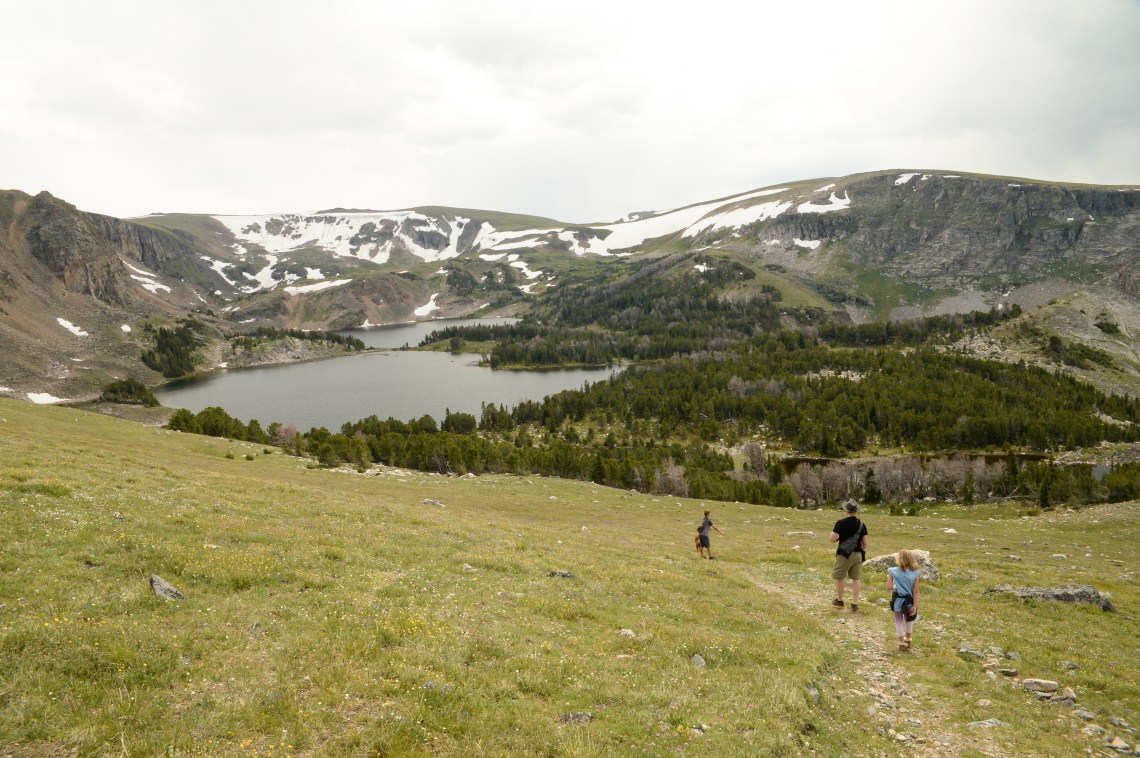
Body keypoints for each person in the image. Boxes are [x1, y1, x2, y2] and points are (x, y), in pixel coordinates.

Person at [829, 499, 868, 611]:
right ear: (856, 511)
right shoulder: (862, 525)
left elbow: (832, 539)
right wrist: (863, 551)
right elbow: (865, 543)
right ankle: (855, 603)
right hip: (858, 555)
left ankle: (840, 600)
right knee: (856, 579)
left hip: (844, 554)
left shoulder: (840, 523)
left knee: (840, 577)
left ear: (846, 510)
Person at [887, 549, 921, 650]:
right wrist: (915, 606)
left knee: (898, 620)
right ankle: (908, 639)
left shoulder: (892, 571)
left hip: (897, 599)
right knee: (909, 619)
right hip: (910, 600)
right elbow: (916, 591)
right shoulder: (915, 574)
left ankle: (901, 642)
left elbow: (889, 587)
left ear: (899, 559)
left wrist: (888, 578)